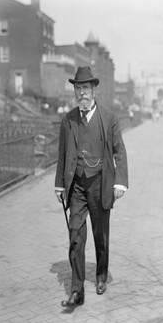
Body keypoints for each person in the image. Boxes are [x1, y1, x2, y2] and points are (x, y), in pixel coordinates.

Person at [55, 66, 129, 308]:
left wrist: (120, 182)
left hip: (100, 183)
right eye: (78, 89)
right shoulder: (69, 120)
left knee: (100, 235)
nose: (81, 93)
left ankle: (100, 275)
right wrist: (59, 185)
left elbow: (120, 152)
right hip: (76, 186)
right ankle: (77, 291)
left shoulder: (109, 119)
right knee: (75, 236)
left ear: (93, 90)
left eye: (85, 88)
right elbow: (63, 153)